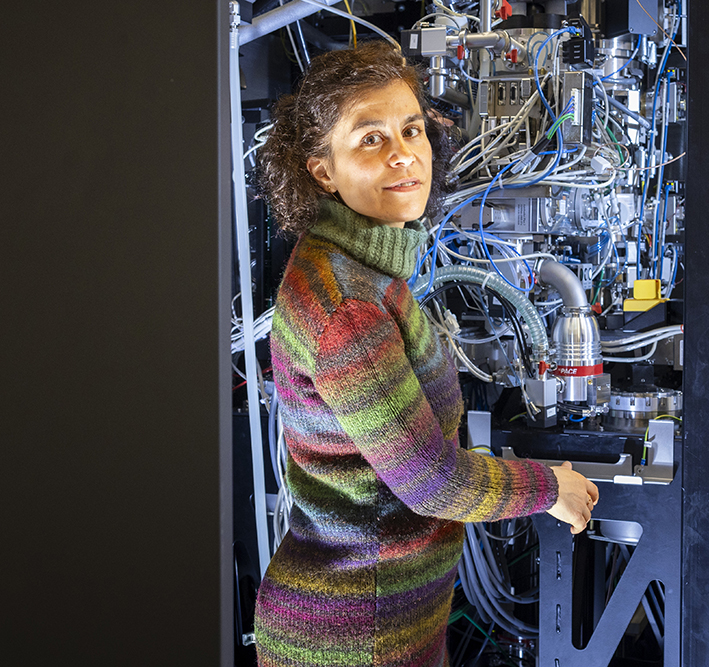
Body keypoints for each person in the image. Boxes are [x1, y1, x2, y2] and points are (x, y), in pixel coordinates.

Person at [253, 41, 599, 667]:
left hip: (385, 620)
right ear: (322, 171)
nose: (404, 153)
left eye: (411, 129)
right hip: (354, 635)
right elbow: (430, 483)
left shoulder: (364, 269)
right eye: (370, 138)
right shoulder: (347, 308)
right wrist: (551, 488)